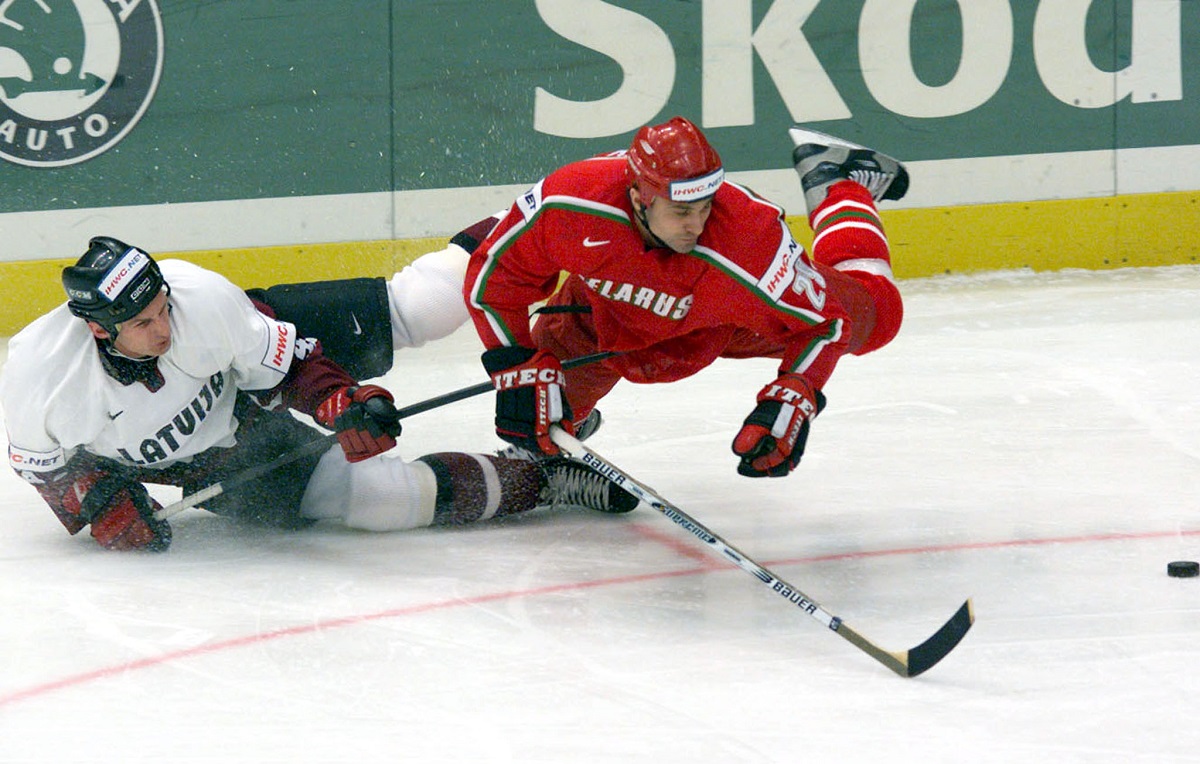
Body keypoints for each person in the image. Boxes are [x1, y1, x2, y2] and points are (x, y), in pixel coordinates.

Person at [0, 237, 636, 552]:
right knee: (386, 499)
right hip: (214, 459)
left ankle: (540, 222)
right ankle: (547, 481)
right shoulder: (39, 377)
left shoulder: (203, 302)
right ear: (96, 328)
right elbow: (49, 475)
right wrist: (102, 504)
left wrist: (341, 402)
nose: (164, 331)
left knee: (423, 305)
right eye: (141, 325)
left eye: (163, 309)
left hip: (251, 360)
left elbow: (290, 365)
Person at [462, 117, 909, 477]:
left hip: (726, 320)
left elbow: (825, 324)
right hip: (600, 318)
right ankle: (576, 420)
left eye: (705, 206)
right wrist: (516, 364)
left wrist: (796, 390)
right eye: (680, 211)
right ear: (639, 197)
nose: (696, 226)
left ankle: (840, 182)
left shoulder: (750, 242)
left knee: (881, 316)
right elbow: (494, 279)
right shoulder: (572, 203)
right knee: (539, 436)